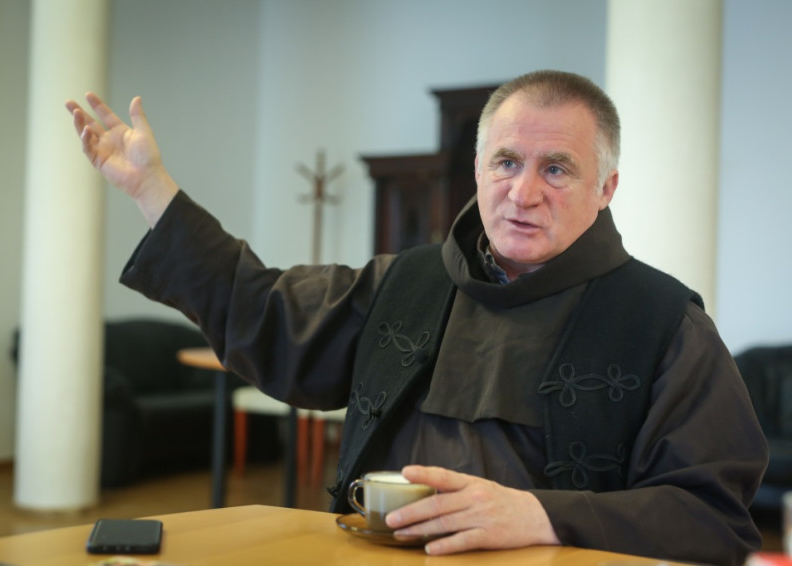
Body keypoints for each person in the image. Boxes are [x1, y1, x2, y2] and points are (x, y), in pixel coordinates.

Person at [67, 70, 767, 565]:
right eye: (506, 162)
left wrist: (542, 514)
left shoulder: (664, 323)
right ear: (477, 170)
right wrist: (151, 189)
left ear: (606, 186)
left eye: (557, 168)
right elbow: (264, 310)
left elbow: (713, 518)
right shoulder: (404, 283)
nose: (523, 192)